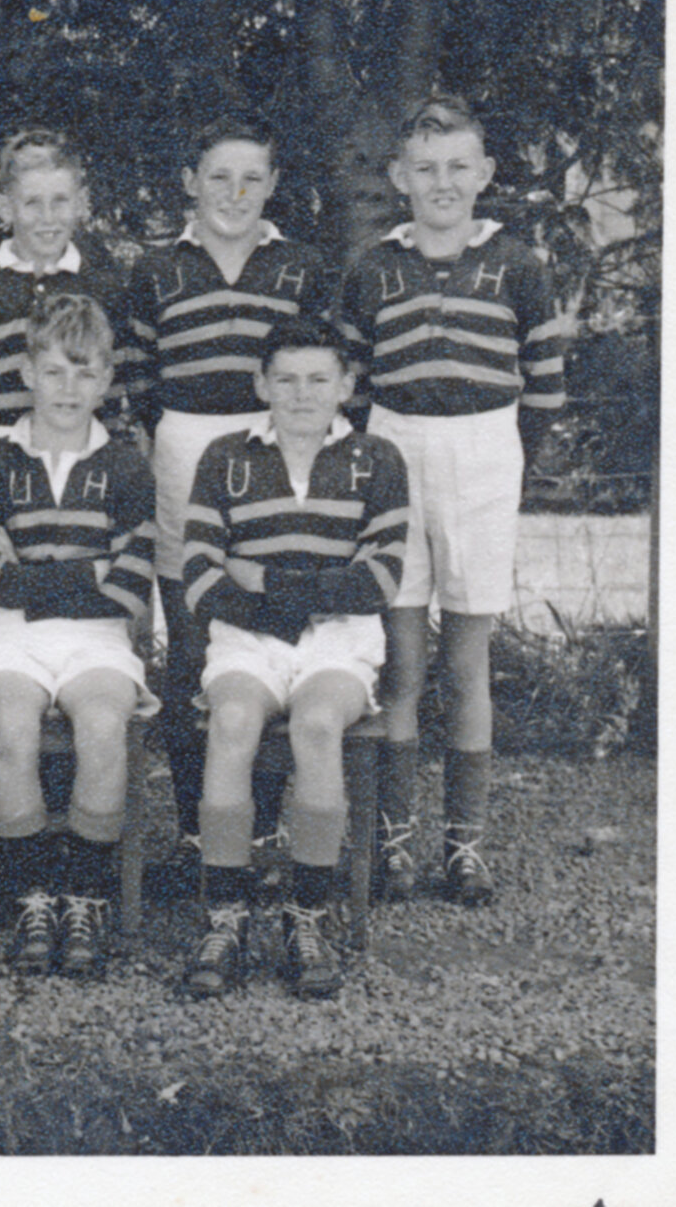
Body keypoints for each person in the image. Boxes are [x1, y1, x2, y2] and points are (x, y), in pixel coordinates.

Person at [345, 95, 568, 908]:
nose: (443, 183)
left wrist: (505, 457)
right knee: (402, 658)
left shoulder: (520, 265)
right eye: (426, 169)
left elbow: (543, 388)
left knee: (466, 660)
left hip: (484, 449)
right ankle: (396, 843)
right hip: (396, 446)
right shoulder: (375, 266)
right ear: (402, 178)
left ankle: (464, 848)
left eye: (458, 168)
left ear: (485, 175)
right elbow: (354, 381)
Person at [124, 117, 342, 879]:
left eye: (252, 178)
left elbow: (325, 365)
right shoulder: (156, 272)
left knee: (270, 632)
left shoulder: (303, 267)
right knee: (192, 643)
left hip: (278, 446)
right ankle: (195, 827)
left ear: (275, 186)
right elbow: (138, 378)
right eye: (219, 176)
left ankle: (263, 829)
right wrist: (171, 447)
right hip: (184, 446)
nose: (235, 193)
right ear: (190, 182)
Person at [178, 317, 409, 1000]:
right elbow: (199, 577)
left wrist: (266, 580)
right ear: (261, 384)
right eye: (285, 379)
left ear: (346, 384)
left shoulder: (377, 459)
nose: (302, 394)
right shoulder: (226, 457)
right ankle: (225, 917)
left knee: (316, 727)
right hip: (247, 639)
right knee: (233, 725)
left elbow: (381, 579)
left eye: (318, 379)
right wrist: (305, 589)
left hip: (340, 640)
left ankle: (305, 916)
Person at [0, 295, 157, 979]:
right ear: (27, 372)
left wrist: (38, 571)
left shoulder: (128, 466)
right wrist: (85, 571)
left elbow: (129, 585)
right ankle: (33, 896)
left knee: (103, 726)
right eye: (54, 371)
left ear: (105, 380)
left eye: (84, 373)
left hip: (100, 640)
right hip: (13, 637)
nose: (68, 389)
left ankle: (84, 895)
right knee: (11, 727)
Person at [0, 130, 141, 447]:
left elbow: (113, 387)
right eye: (32, 203)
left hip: (79, 450)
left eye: (60, 202)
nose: (47, 218)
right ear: (5, 208)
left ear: (81, 203)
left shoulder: (104, 290)